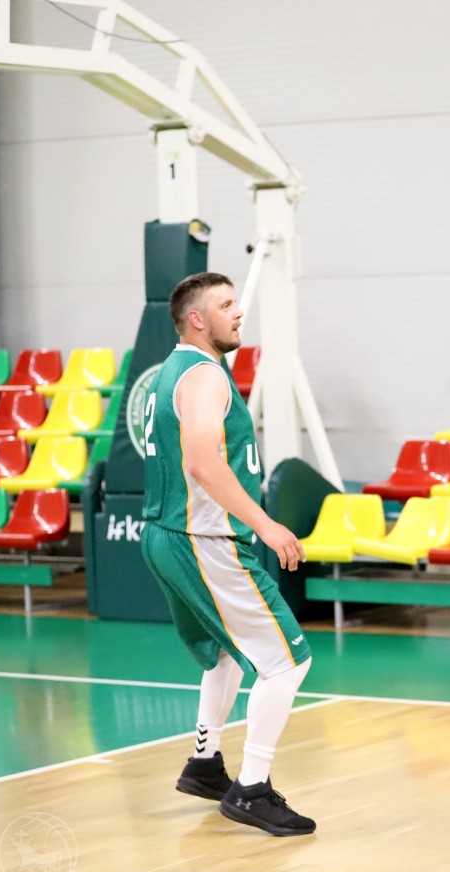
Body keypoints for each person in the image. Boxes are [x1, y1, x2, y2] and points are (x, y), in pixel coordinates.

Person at [140, 272, 315, 837]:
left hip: (166, 533)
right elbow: (201, 461)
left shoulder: (170, 372)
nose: (239, 312)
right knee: (287, 662)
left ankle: (204, 762)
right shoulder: (204, 376)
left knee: (222, 654)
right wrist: (266, 525)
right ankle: (252, 789)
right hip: (203, 541)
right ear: (197, 319)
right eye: (226, 304)